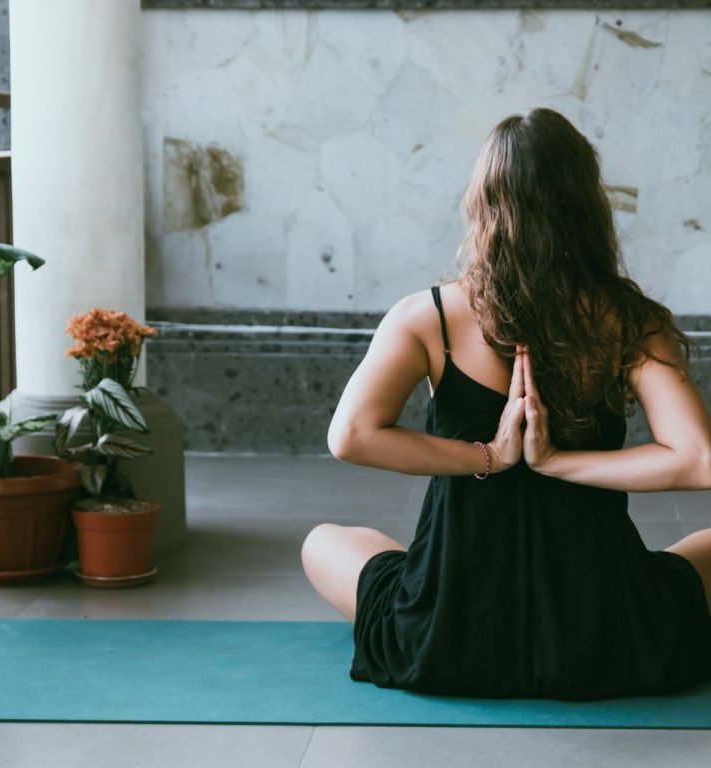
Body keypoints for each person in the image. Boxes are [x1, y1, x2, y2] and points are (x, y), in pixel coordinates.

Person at [301, 108, 711, 701]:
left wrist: (489, 456)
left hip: (447, 632)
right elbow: (699, 460)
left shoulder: (428, 317)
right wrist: (557, 462)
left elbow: (351, 436)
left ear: (483, 204)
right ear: (587, 206)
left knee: (323, 541)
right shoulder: (632, 323)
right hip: (604, 634)